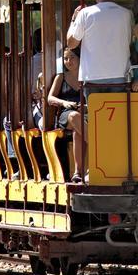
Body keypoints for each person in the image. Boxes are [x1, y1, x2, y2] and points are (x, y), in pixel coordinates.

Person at [67, 0, 132, 94]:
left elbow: (71, 44)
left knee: (95, 112)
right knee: (119, 112)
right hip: (120, 73)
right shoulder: (127, 14)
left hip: (92, 75)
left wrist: (73, 20)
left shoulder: (85, 14)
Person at [47, 47, 86, 183]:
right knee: (74, 117)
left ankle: (78, 172)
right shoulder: (61, 76)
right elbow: (50, 98)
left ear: (80, 58)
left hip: (85, 113)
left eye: (72, 58)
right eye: (65, 58)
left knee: (78, 131)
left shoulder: (86, 76)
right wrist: (64, 103)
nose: (68, 61)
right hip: (66, 114)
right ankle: (99, 150)